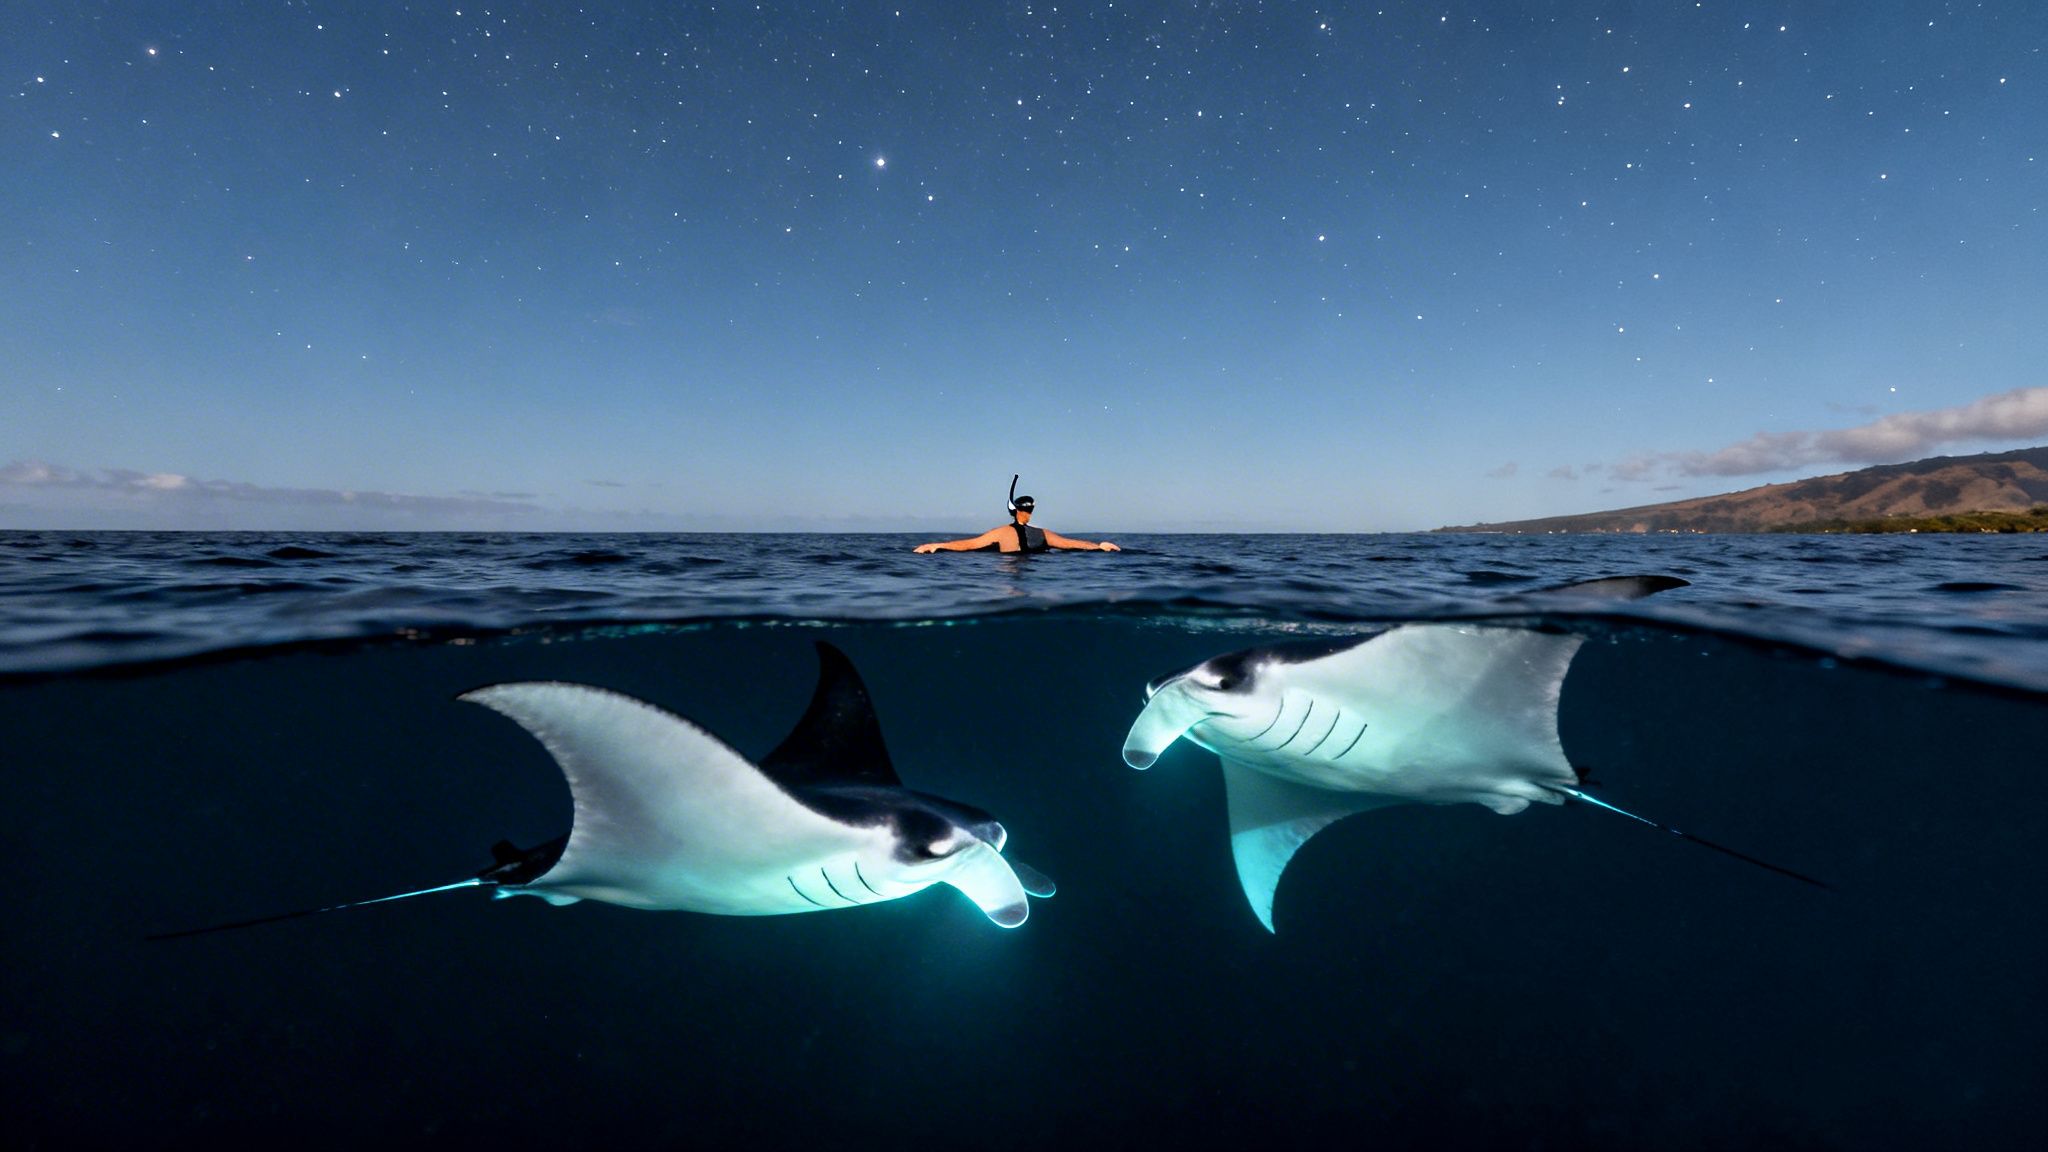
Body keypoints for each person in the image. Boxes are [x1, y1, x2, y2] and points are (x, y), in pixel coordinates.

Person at [913, 483, 1120, 553]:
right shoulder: (1041, 534)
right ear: (1025, 511)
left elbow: (970, 545)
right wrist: (1098, 547)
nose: (1029, 514)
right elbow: (1069, 544)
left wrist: (937, 545)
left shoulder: (1002, 533)